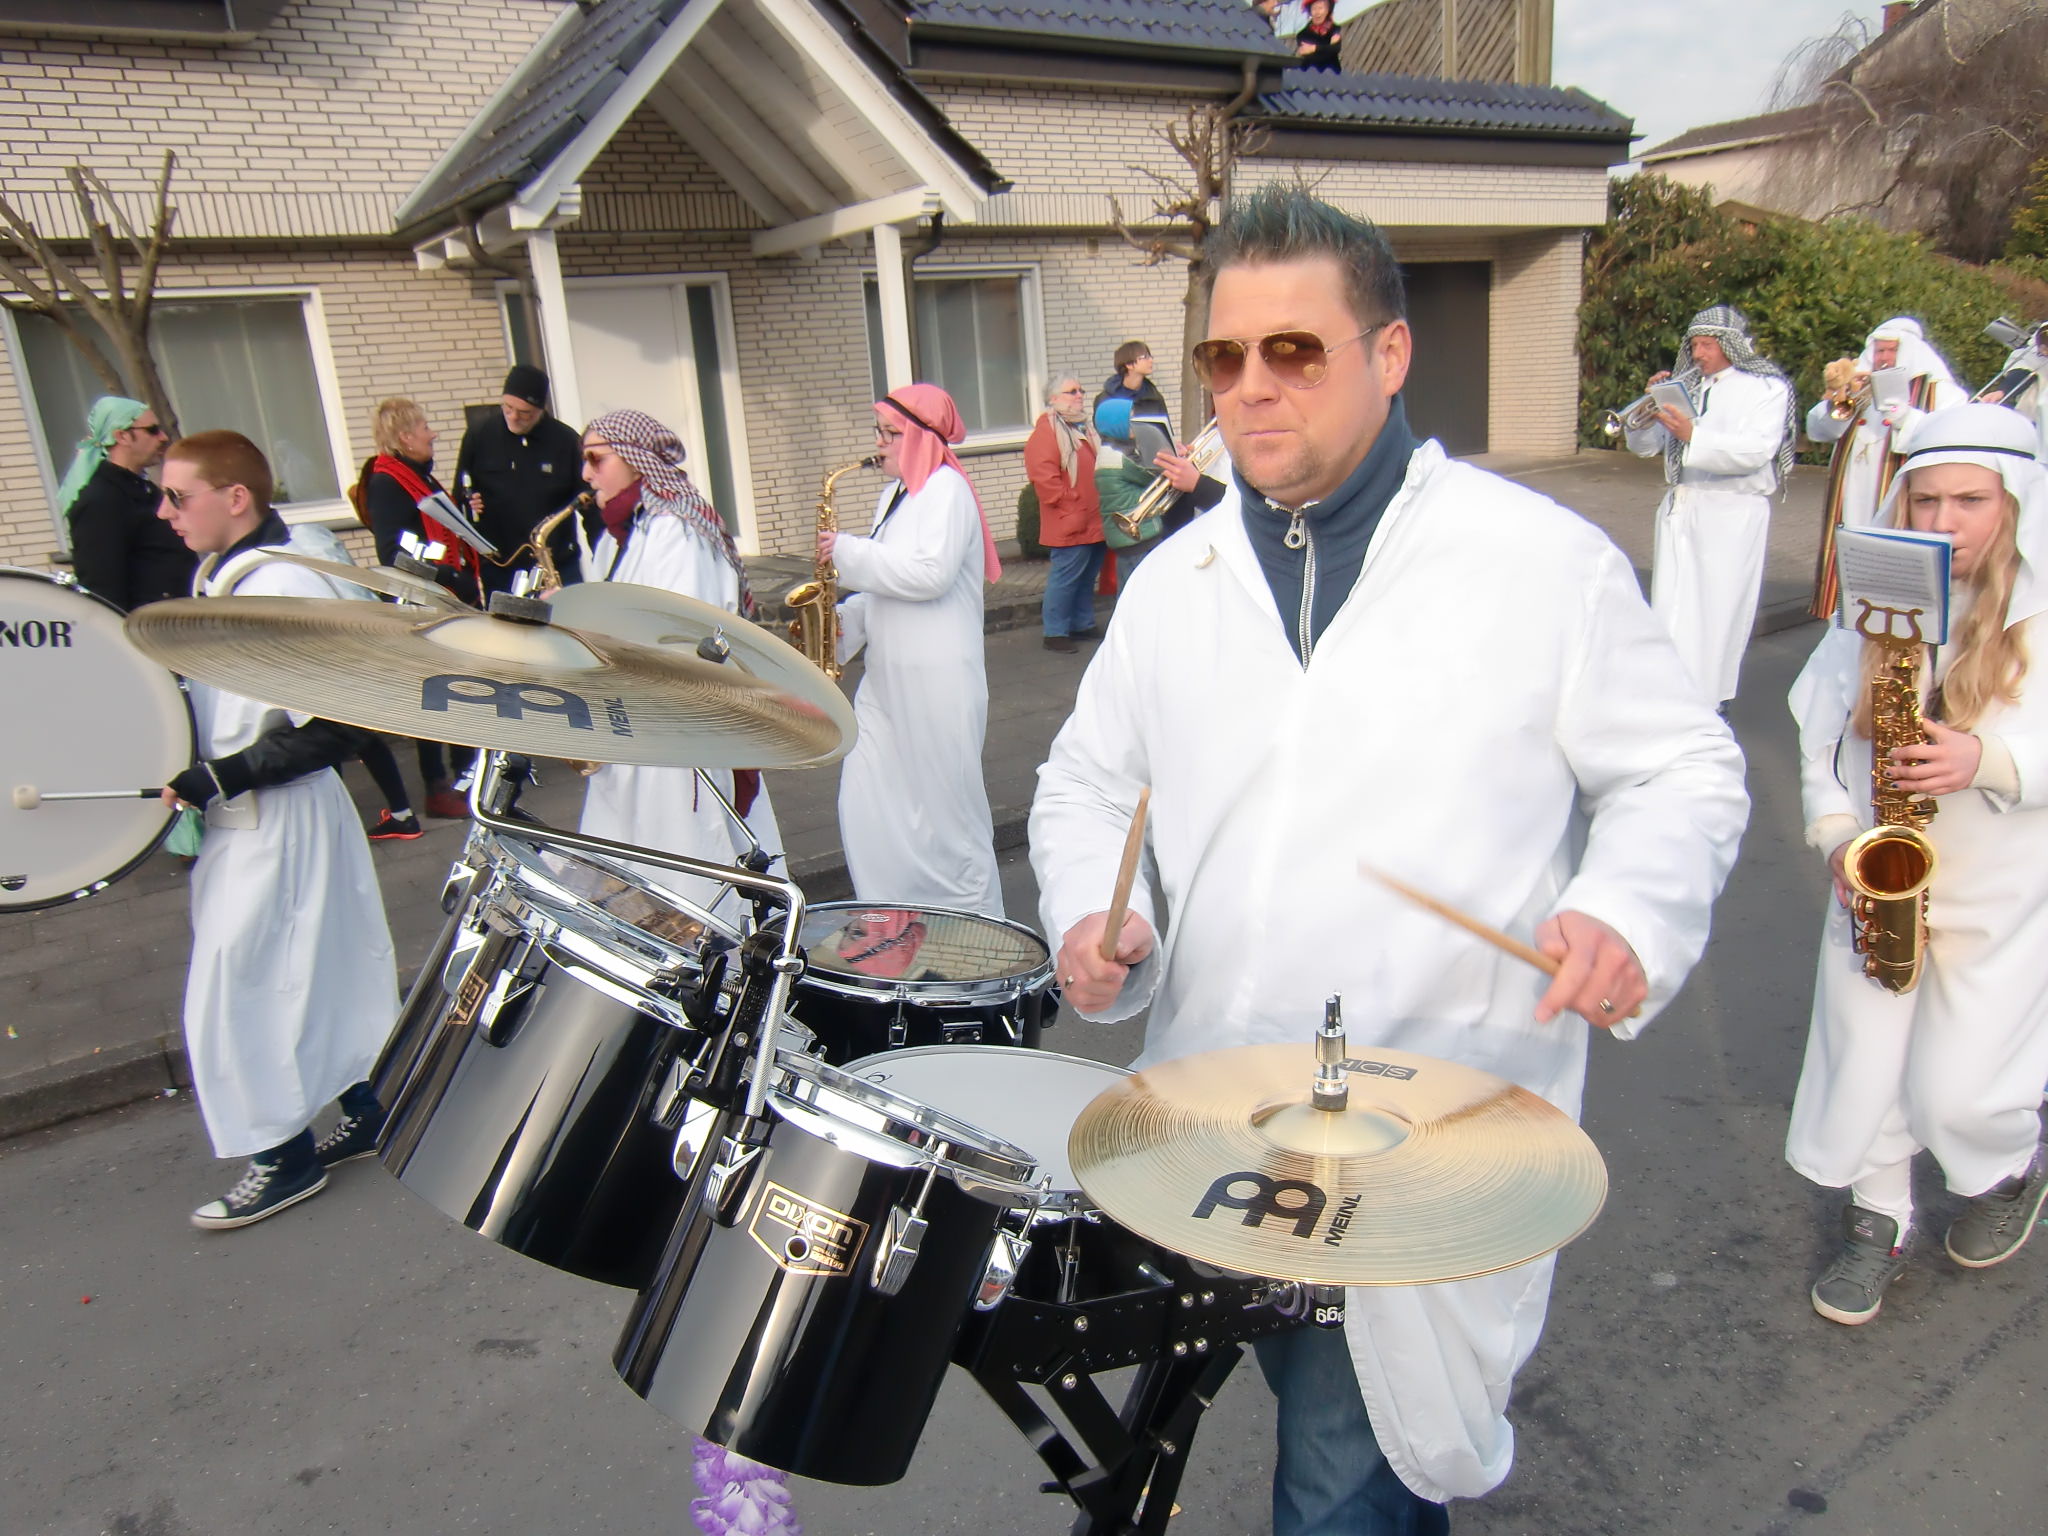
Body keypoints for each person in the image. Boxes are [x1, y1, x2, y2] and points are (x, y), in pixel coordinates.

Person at [1030, 186, 1748, 1531]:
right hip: (1210, 1120)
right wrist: (1092, 912)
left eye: (1293, 349)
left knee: (1341, 1481)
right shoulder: (1177, 585)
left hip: (1425, 1139)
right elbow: (1087, 780)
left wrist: (1623, 911)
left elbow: (1678, 768)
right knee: (1245, 1450)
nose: (1250, 386)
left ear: (1391, 353)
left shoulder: (1537, 563)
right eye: (1224, 356)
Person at [1784, 403, 2048, 1325]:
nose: (1943, 522)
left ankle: (2007, 1167)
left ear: (2016, 504)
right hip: (1881, 875)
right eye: (1926, 499)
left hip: (1999, 891)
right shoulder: (1878, 605)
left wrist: (1989, 761)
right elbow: (1819, 736)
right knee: (1869, 1062)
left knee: (1961, 1088)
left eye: (1971, 501)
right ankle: (1879, 1217)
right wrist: (1836, 833)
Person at [154, 430, 398, 1229]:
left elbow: (344, 722)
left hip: (280, 816)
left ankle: (283, 1158)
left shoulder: (284, 583)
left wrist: (224, 774)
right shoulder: (222, 574)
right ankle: (368, 1107)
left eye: (178, 496)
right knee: (317, 971)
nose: (164, 512)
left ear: (236, 498)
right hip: (253, 815)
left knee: (240, 987)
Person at [574, 409, 783, 914]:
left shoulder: (678, 531)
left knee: (690, 865)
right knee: (633, 868)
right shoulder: (621, 535)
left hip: (677, 725)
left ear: (634, 460)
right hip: (633, 720)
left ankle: (714, 951)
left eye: (596, 459)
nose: (586, 474)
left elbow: (680, 635)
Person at [825, 383, 1005, 916]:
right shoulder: (895, 495)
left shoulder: (948, 490)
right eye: (879, 432)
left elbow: (930, 574)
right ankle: (894, 921)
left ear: (923, 438)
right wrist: (842, 624)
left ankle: (980, 929)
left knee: (950, 826)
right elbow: (885, 585)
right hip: (885, 681)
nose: (879, 443)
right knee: (867, 804)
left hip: (938, 683)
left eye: (890, 433)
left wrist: (845, 553)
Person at [1625, 305, 1796, 707]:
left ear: (1730, 345)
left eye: (1707, 345)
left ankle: (1710, 702)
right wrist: (1646, 416)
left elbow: (1757, 451)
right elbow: (1646, 448)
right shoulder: (1686, 386)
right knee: (1672, 606)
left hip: (1731, 513)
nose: (1698, 354)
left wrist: (1694, 435)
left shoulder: (1766, 388)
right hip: (1683, 508)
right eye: (1694, 345)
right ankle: (1670, 693)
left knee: (1716, 610)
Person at [361, 397, 477, 819]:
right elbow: (395, 552)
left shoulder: (417, 478)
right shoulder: (387, 483)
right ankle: (439, 787)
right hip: (424, 604)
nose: (434, 433)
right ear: (405, 436)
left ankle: (465, 776)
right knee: (435, 696)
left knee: (460, 690)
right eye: (425, 427)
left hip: (445, 599)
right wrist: (449, 576)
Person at [1805, 317, 1963, 530]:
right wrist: (1838, 399)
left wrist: (1903, 416)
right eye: (1879, 351)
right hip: (1852, 490)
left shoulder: (1942, 392)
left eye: (1892, 350)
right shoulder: (1859, 387)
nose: (1884, 358)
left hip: (1901, 490)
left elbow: (1946, 436)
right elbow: (1821, 431)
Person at [455, 363, 586, 595]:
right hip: (501, 567)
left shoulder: (565, 441)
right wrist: (469, 504)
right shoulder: (479, 435)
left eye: (524, 413)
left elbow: (588, 503)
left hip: (557, 564)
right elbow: (460, 493)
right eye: (508, 408)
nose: (514, 417)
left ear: (540, 410)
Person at [59, 395, 193, 611]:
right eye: (152, 430)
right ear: (122, 436)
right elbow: (101, 586)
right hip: (147, 623)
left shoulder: (142, 487)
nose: (163, 437)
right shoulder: (101, 499)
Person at [1027, 374, 1106, 653]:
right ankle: (1055, 631)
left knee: (1086, 577)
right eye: (1072, 391)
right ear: (1053, 399)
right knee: (1066, 578)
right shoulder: (1047, 432)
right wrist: (1071, 504)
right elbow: (1044, 479)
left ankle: (1082, 623)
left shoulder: (1080, 428)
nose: (1079, 395)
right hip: (1071, 520)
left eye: (1080, 390)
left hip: (1092, 518)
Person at [1101, 341, 1169, 418]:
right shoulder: (1107, 400)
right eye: (1145, 357)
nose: (1151, 360)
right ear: (1129, 364)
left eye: (1150, 356)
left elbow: (1164, 424)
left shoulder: (1155, 398)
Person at [1294, 0, 1344, 67]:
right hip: (1310, 70)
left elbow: (1335, 49)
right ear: (1310, 11)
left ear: (1328, 10)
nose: (1317, 12)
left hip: (1332, 70)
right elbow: (1313, 57)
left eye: (1320, 8)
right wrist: (1327, 48)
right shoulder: (1303, 35)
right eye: (1314, 8)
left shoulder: (1334, 29)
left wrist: (1314, 48)